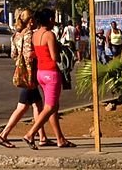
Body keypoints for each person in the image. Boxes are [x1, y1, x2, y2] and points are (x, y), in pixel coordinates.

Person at [0, 9, 53, 148]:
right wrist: (40, 53)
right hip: (29, 73)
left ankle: (42, 137)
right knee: (22, 107)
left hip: (22, 72)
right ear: (30, 21)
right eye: (33, 19)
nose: (34, 22)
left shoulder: (16, 35)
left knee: (38, 105)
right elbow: (28, 55)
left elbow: (13, 54)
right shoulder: (28, 34)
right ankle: (3, 134)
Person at [23, 8, 75, 149]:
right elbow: (54, 57)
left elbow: (37, 53)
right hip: (51, 73)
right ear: (50, 20)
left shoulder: (35, 35)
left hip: (41, 73)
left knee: (53, 107)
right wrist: (61, 50)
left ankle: (60, 139)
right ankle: (30, 134)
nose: (54, 22)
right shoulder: (49, 35)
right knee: (50, 107)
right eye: (53, 19)